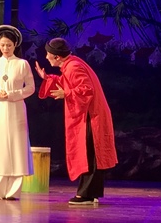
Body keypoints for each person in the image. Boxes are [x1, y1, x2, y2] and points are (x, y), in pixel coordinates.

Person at [35, 38, 118, 205]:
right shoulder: (71, 64)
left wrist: (66, 94)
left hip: (91, 116)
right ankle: (90, 193)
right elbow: (68, 82)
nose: (46, 57)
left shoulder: (73, 66)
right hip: (91, 115)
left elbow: (86, 90)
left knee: (90, 153)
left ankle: (86, 194)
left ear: (57, 57)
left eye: (48, 54)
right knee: (90, 153)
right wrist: (48, 78)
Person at [0, 25, 35, 200]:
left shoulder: (22, 64)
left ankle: (13, 191)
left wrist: (13, 94)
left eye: (9, 45)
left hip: (15, 108)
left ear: (15, 45)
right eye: (3, 45)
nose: (5, 48)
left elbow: (30, 87)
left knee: (16, 146)